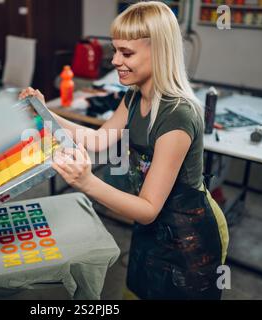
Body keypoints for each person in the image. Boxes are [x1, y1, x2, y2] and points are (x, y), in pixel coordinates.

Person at [19, 1, 229, 300]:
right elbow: (97, 139)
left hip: (188, 237)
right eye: (115, 50)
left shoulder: (177, 117)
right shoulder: (133, 98)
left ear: (159, 52)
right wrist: (43, 115)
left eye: (126, 53)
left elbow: (147, 209)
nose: (115, 60)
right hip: (152, 230)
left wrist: (87, 182)